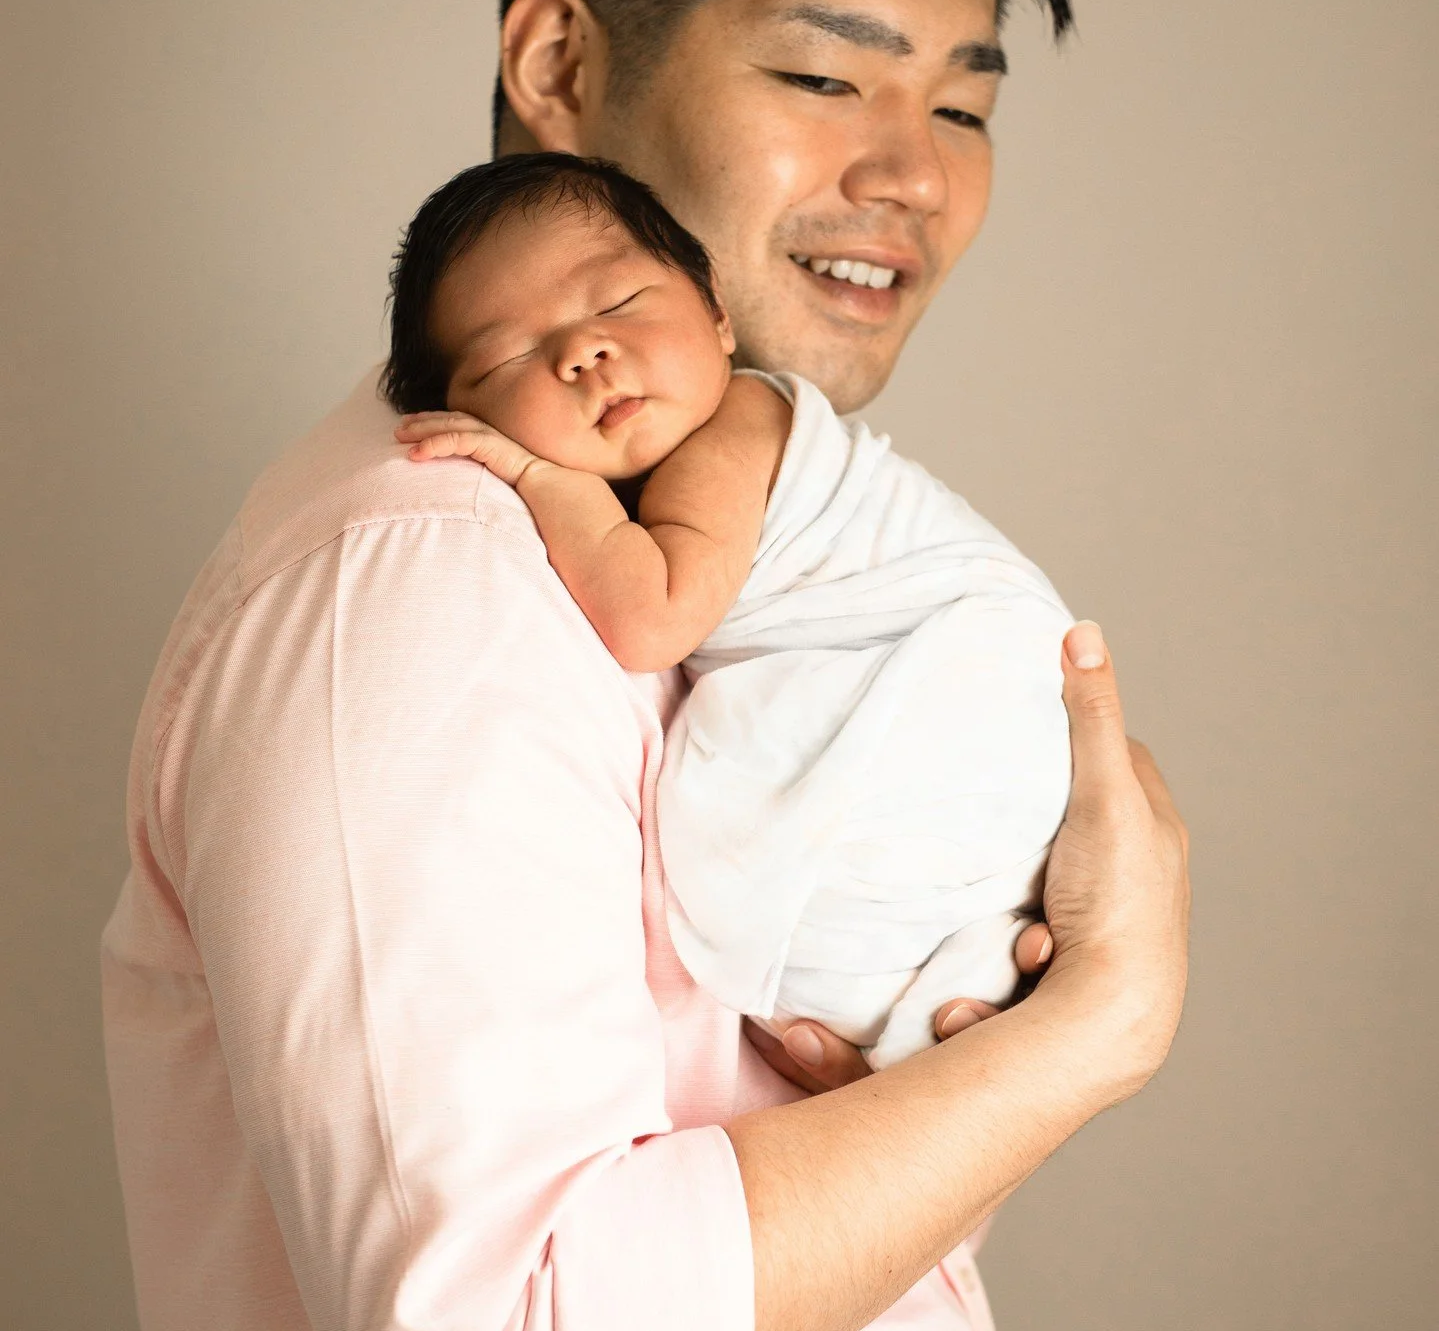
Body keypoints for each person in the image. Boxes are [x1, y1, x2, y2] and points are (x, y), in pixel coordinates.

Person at [102, 0, 1189, 1331]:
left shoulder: (738, 543)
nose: (912, 177)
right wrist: (1088, 1031)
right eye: (827, 77)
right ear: (557, 61)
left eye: (964, 105)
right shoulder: (429, 582)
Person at [384, 151, 1074, 1067]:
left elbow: (652, 617)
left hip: (959, 688)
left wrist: (546, 479)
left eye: (618, 302)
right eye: (509, 357)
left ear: (715, 313)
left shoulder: (736, 429)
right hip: (979, 738)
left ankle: (918, 1012)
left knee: (836, 906)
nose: (581, 353)